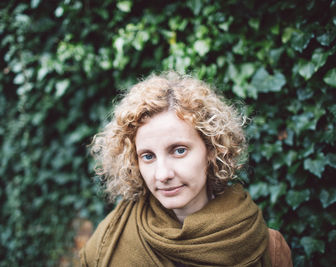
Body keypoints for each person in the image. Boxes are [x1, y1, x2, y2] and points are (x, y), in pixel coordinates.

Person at [80, 71, 292, 267]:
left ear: (211, 149)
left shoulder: (270, 248)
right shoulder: (106, 245)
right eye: (148, 156)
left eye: (179, 151)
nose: (162, 174)